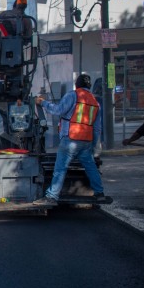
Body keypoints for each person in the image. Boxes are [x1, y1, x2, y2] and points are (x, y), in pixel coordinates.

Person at [34, 73, 106, 204]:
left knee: (60, 168)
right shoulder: (95, 102)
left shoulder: (72, 95)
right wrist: (95, 145)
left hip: (71, 139)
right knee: (91, 167)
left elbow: (58, 110)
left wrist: (42, 102)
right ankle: (99, 193)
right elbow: (97, 128)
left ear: (77, 84)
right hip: (86, 141)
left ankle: (51, 196)